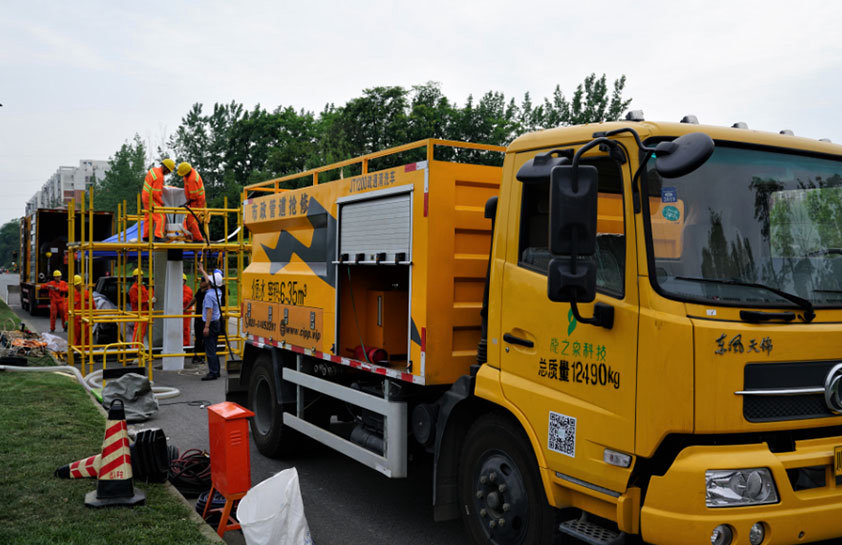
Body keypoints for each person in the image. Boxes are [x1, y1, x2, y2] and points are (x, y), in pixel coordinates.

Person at [197, 262, 222, 380]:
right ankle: (216, 370)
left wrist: (206, 327)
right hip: (216, 323)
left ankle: (213, 372)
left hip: (210, 324)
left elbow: (209, 311)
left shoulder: (208, 296)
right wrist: (202, 270)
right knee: (214, 348)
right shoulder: (218, 292)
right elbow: (210, 281)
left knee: (210, 350)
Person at [142, 158, 175, 241]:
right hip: (151, 198)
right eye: (168, 171)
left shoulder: (153, 170)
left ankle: (146, 236)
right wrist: (162, 203)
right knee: (161, 216)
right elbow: (156, 193)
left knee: (149, 217)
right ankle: (158, 236)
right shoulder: (160, 176)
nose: (168, 173)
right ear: (166, 168)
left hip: (145, 196)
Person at [177, 162, 206, 241]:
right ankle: (191, 237)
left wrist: (186, 203)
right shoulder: (188, 175)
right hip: (193, 200)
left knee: (191, 220)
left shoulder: (192, 179)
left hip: (197, 201)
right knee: (188, 219)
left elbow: (194, 196)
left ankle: (198, 239)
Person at [128, 268, 154, 345]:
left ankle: (139, 347)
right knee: (138, 333)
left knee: (141, 333)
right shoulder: (134, 288)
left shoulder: (142, 286)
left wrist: (150, 303)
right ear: (135, 277)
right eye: (138, 276)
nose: (140, 277)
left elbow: (146, 296)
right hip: (139, 313)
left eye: (141, 276)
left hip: (144, 312)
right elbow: (136, 300)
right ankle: (135, 348)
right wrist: (148, 301)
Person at [188, 274, 209, 363]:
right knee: (198, 337)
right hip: (198, 317)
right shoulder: (200, 291)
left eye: (202, 281)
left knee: (204, 338)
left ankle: (202, 356)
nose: (200, 283)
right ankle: (197, 356)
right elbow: (194, 299)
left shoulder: (209, 292)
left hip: (205, 318)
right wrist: (186, 308)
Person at [71, 275, 90, 346]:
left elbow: (93, 306)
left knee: (86, 338)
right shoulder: (72, 295)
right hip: (76, 320)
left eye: (78, 284)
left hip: (86, 319)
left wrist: (94, 317)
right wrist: (67, 319)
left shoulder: (87, 294)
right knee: (76, 338)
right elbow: (67, 308)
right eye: (75, 285)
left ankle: (86, 351)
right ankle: (77, 351)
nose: (76, 286)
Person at [182, 273, 193, 347]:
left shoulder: (187, 290)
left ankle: (186, 344)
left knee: (185, 329)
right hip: (179, 311)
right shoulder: (177, 289)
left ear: (185, 281)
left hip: (186, 312)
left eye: (182, 280)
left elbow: (185, 299)